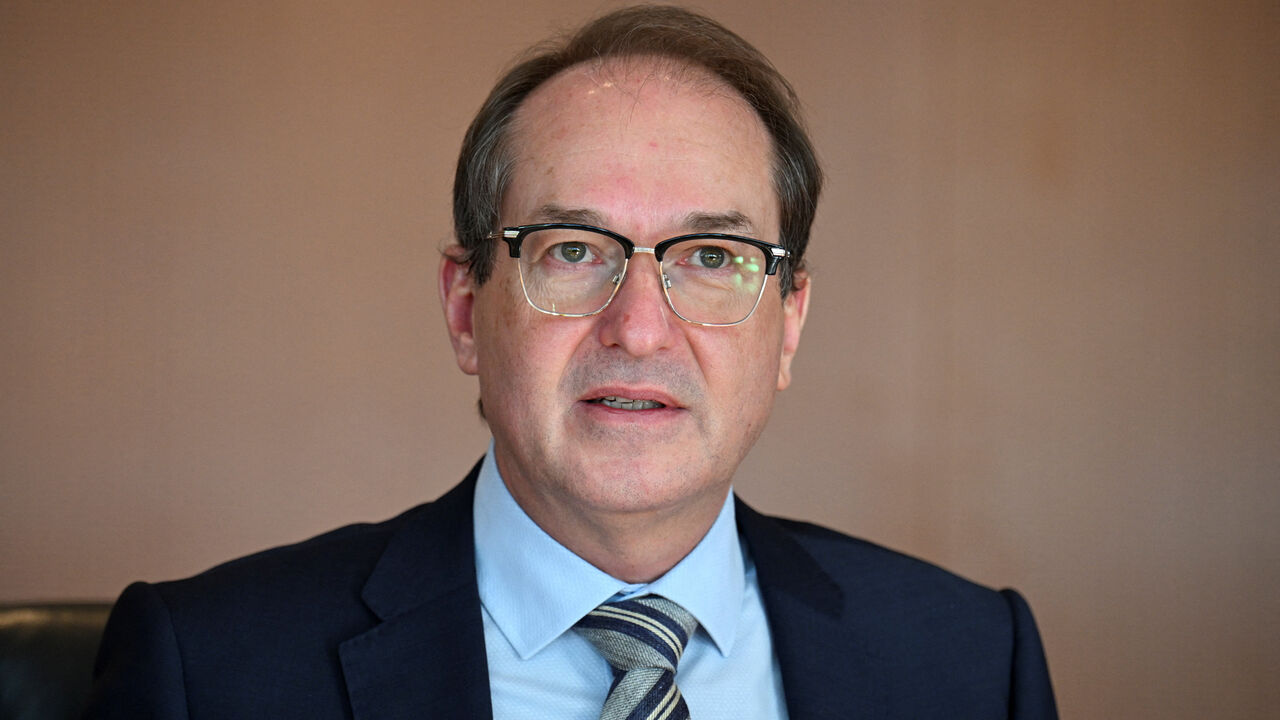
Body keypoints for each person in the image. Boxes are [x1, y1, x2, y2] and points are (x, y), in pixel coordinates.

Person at [84, 6, 1057, 719]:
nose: (638, 328)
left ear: (788, 320)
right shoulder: (209, 672)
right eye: (572, 249)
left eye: (711, 257)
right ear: (467, 308)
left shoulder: (970, 663)